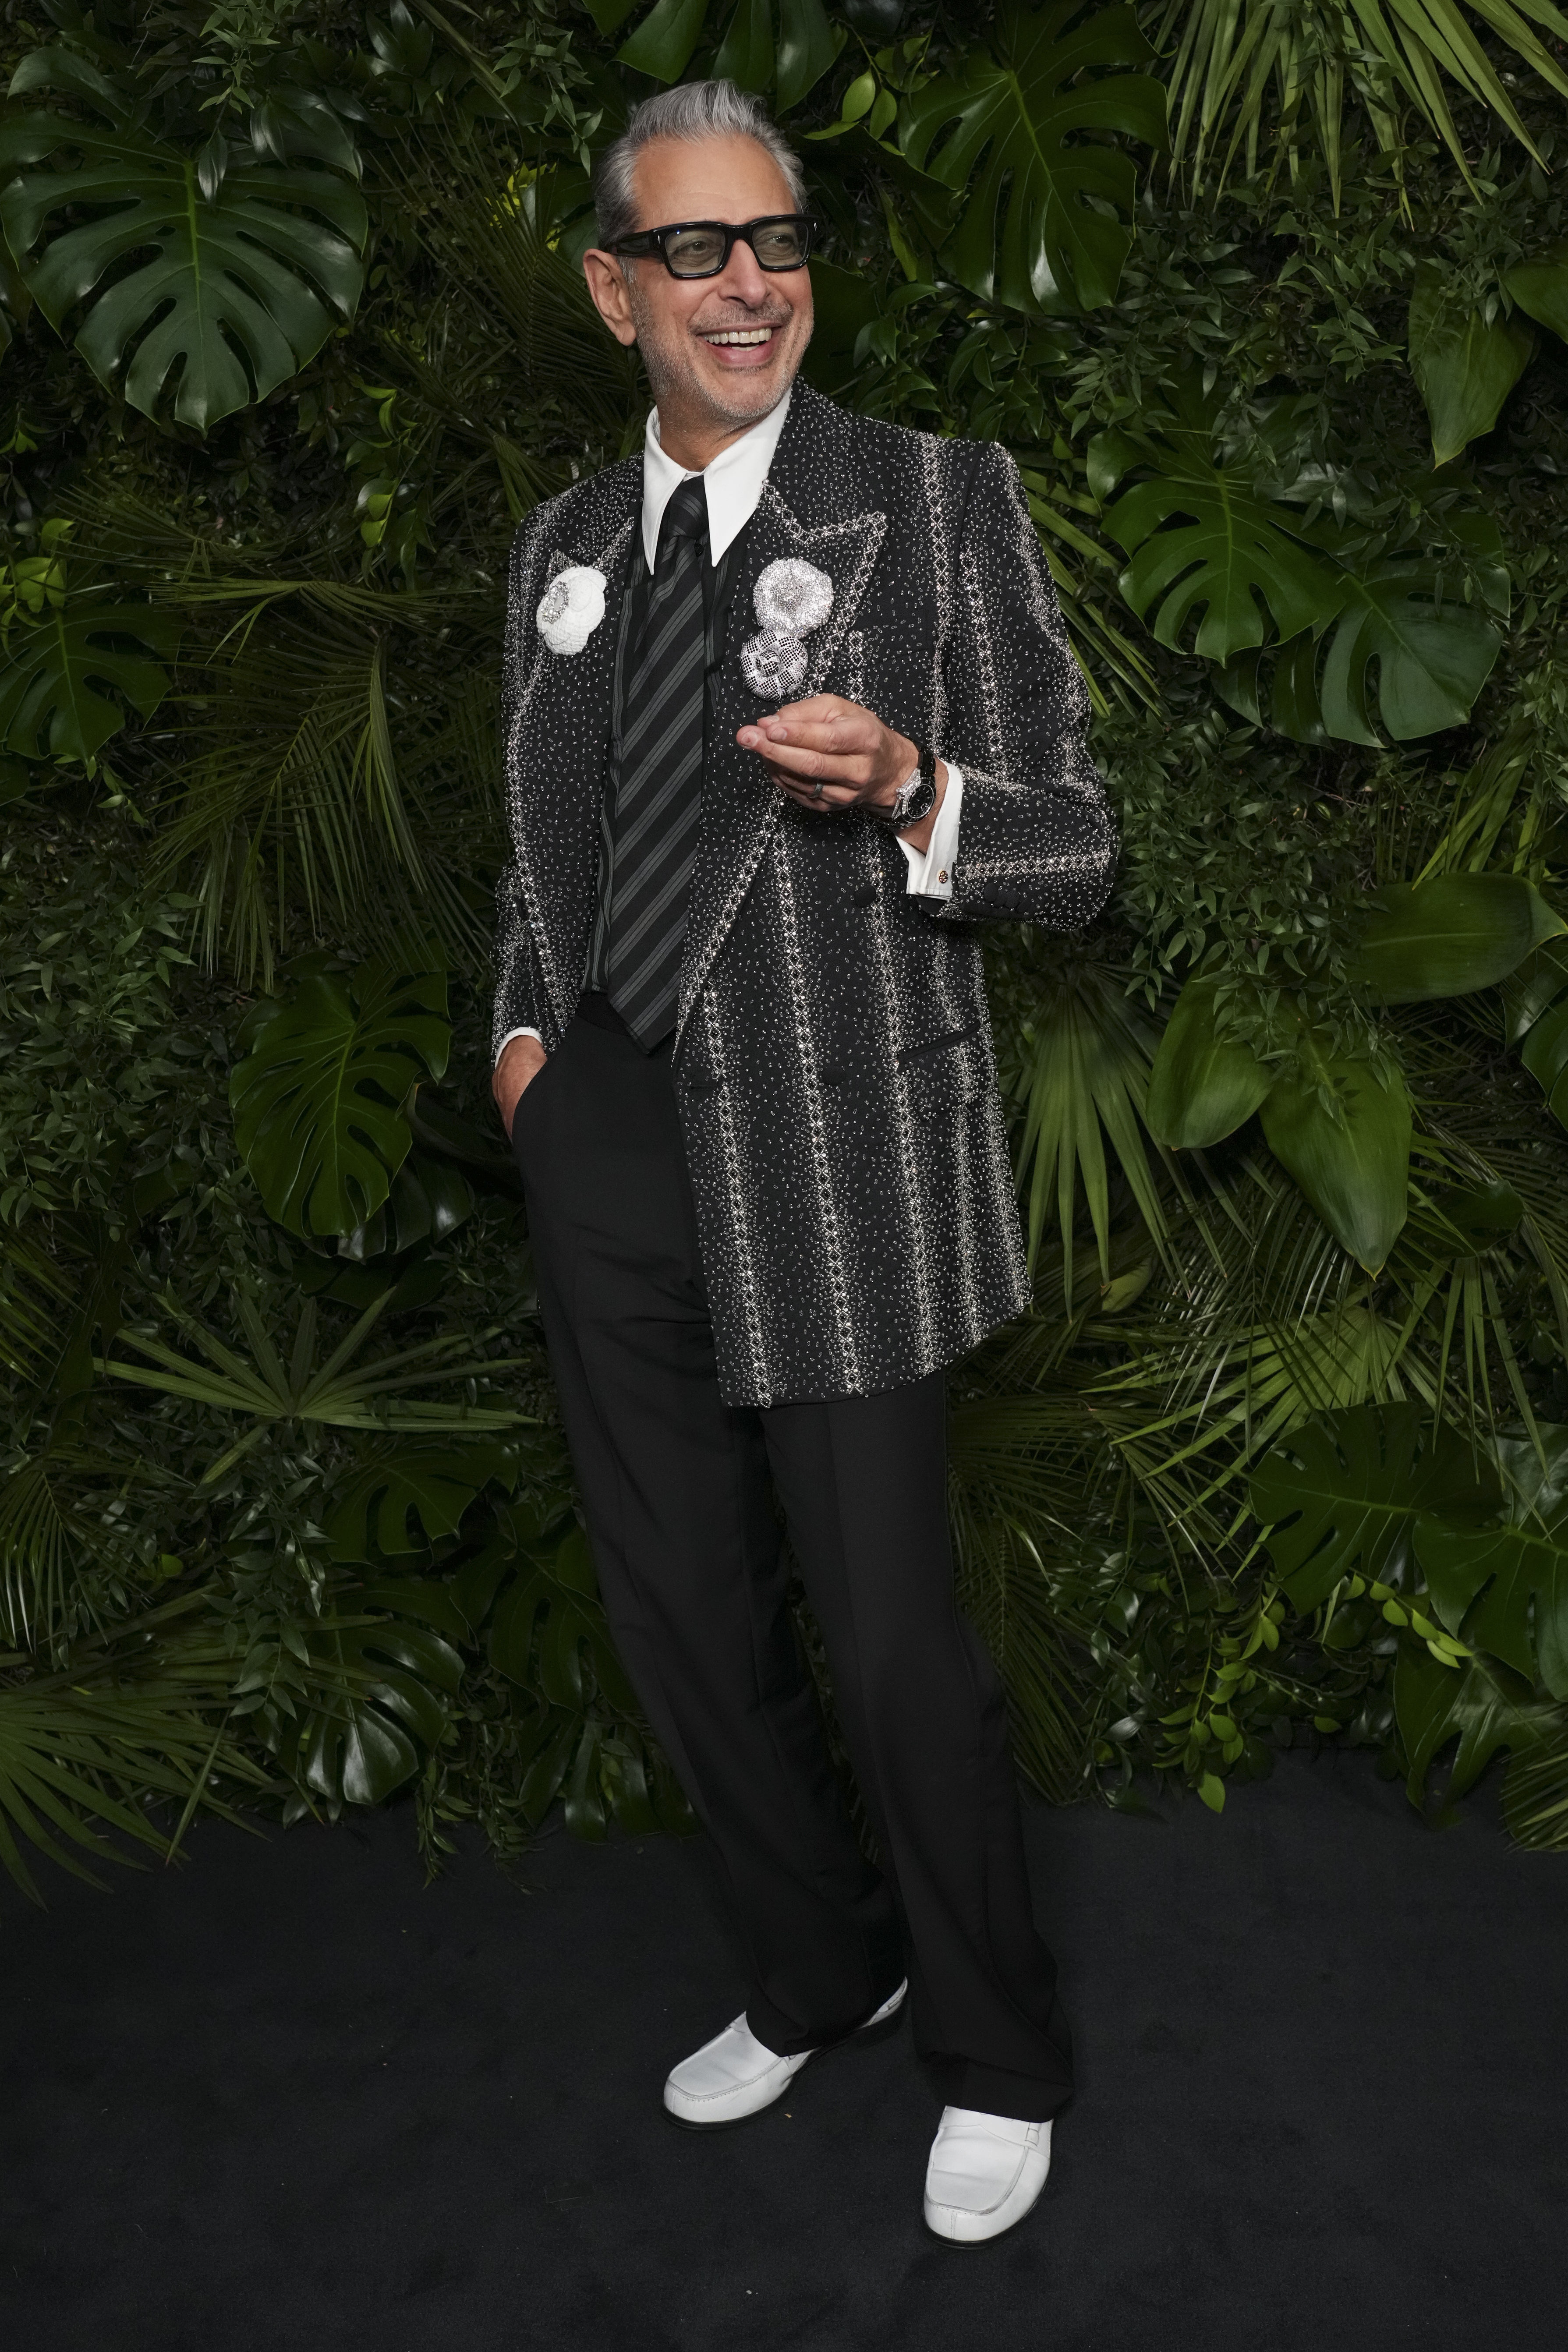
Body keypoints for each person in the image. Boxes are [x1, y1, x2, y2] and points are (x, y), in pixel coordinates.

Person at [490, 78, 1116, 2246]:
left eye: (776, 240)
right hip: (605, 1136)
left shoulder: (931, 501)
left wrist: (920, 782)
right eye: (696, 249)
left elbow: (1077, 847)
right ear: (611, 289)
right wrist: (521, 1042)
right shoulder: (561, 549)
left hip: (840, 1154)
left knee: (891, 1642)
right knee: (676, 1608)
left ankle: (995, 2046)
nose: (748, 282)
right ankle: (813, 1963)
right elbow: (541, 843)